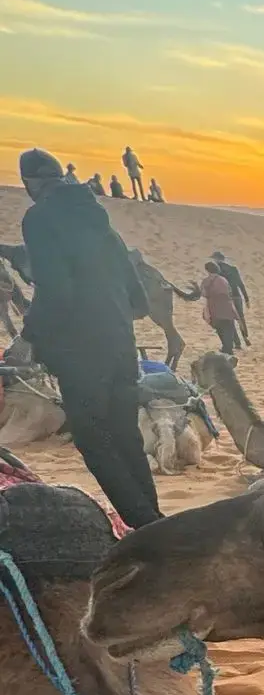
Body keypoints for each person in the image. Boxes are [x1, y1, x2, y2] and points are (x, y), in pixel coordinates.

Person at [17, 148, 161, 528]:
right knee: (125, 435)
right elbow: (137, 298)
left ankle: (143, 524)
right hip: (120, 343)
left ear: (30, 183)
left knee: (94, 439)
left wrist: (29, 337)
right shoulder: (101, 220)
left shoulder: (40, 217)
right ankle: (155, 523)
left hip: (82, 351)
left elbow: (55, 288)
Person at [200, 258, 241, 355]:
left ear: (207, 270)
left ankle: (226, 349)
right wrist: (235, 311)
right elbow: (229, 297)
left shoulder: (206, 281)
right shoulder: (224, 280)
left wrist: (206, 313)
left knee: (220, 330)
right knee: (228, 330)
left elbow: (205, 298)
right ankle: (228, 349)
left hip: (214, 310)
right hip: (227, 309)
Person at [211, 249, 250, 342]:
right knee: (240, 317)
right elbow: (240, 284)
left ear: (216, 260)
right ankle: (245, 336)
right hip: (237, 296)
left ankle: (237, 342)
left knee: (230, 321)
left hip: (226, 298)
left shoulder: (216, 271)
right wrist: (246, 298)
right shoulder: (233, 269)